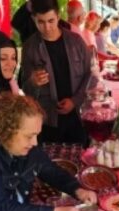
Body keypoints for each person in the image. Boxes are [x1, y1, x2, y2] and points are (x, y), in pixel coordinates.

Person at [21, 0, 94, 146]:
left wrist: (75, 101)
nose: (47, 27)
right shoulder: (30, 47)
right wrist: (33, 81)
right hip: (47, 119)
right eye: (41, 22)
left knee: (79, 160)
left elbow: (91, 75)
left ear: (59, 16)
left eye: (51, 21)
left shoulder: (76, 41)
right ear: (33, 19)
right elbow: (25, 87)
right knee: (50, 163)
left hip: (77, 116)